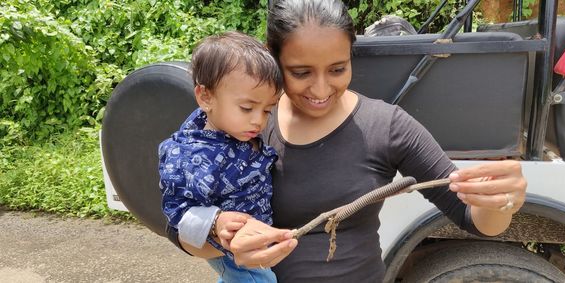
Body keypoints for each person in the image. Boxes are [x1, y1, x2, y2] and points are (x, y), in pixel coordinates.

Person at [167, 0, 528, 282]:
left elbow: (474, 219)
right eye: (300, 72)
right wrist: (222, 240)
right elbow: (181, 229)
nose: (322, 90)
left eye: (337, 69)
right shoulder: (244, 121)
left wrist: (500, 201)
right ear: (273, 59)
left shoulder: (385, 126)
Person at [158, 31, 283, 282]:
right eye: (247, 108)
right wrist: (215, 221)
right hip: (230, 251)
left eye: (267, 110)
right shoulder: (192, 155)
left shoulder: (232, 128)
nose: (259, 120)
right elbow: (178, 210)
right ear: (206, 97)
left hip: (254, 240)